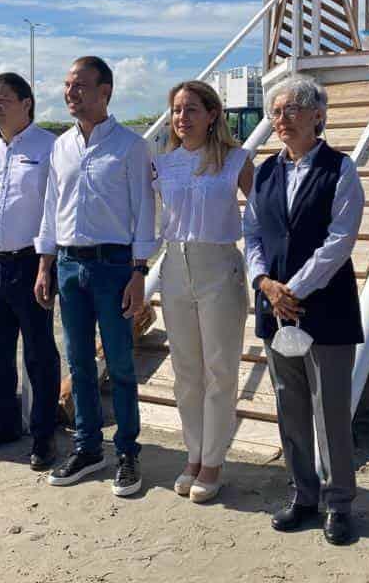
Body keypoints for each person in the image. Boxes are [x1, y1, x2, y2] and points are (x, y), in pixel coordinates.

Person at [242, 76, 365, 544]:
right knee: (288, 404)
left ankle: (339, 503)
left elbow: (340, 240)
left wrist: (293, 288)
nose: (281, 119)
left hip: (326, 308)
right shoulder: (267, 171)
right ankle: (303, 494)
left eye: (292, 109)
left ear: (318, 115)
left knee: (330, 409)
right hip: (275, 309)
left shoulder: (341, 169)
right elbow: (252, 232)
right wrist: (264, 283)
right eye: (275, 112)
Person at [34, 56, 157, 497]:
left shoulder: (130, 146)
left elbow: (145, 212)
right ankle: (88, 447)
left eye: (81, 86)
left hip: (114, 266)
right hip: (68, 265)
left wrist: (139, 271)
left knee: (121, 364)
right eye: (68, 85)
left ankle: (127, 451)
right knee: (80, 362)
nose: (71, 93)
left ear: (105, 91)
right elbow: (52, 208)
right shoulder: (60, 147)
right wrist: (45, 263)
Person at [153, 80, 254, 503]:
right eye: (177, 110)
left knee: (220, 370)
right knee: (186, 372)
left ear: (212, 114)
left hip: (219, 266)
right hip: (174, 266)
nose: (182, 117)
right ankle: (193, 453)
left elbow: (262, 217)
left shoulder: (236, 160)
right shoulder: (163, 164)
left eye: (191, 109)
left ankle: (213, 460)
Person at [0, 72, 61, 471]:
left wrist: (46, 264)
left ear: (27, 103)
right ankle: (4, 423)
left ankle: (43, 433)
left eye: (3, 99)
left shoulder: (50, 147)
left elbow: (55, 208)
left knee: (39, 353)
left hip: (30, 264)